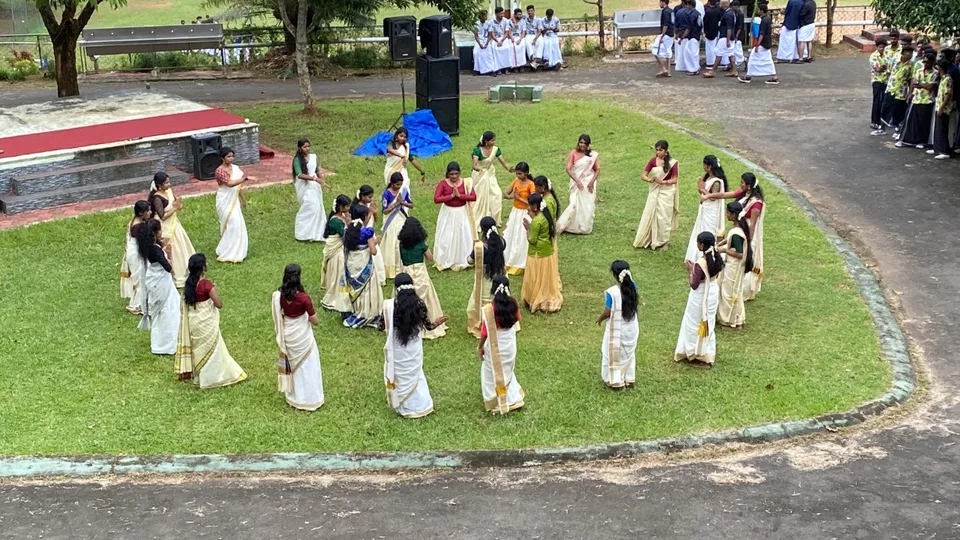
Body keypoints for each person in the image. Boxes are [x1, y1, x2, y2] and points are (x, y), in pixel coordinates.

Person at [175, 253, 247, 388]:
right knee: (213, 349)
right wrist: (212, 290)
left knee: (199, 349)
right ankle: (213, 378)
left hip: (194, 322)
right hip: (206, 323)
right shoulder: (206, 285)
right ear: (203, 267)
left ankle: (200, 376)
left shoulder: (188, 285)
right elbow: (219, 304)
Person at [383, 273, 448, 418]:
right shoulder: (419, 304)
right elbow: (429, 326)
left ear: (396, 287)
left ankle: (402, 404)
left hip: (397, 348)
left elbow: (382, 326)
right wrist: (438, 322)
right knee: (416, 375)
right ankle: (421, 405)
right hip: (413, 348)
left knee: (400, 375)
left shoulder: (389, 306)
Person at [702, 172, 765, 300]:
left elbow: (752, 225)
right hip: (739, 228)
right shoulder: (743, 194)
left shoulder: (756, 203)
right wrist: (709, 195)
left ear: (748, 186)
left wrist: (747, 240)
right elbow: (725, 195)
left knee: (743, 257)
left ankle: (744, 289)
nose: (740, 184)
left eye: (742, 182)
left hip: (747, 233)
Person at [272, 264, 324, 411]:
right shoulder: (304, 298)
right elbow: (315, 321)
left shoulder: (279, 296)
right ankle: (309, 399)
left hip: (288, 334)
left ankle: (294, 397)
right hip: (302, 335)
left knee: (295, 365)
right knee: (308, 364)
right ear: (298, 278)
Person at [675, 232, 723, 367]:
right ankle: (706, 351)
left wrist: (690, 270)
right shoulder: (716, 257)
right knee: (709, 321)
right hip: (713, 291)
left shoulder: (700, 263)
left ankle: (694, 352)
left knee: (694, 322)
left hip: (701, 295)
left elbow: (694, 284)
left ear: (701, 245)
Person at [479, 275, 525, 414]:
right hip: (509, 346)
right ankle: (512, 398)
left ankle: (497, 401)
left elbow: (485, 332)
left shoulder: (489, 309)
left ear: (493, 288)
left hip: (494, 347)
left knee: (491, 373)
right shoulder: (513, 303)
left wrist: (480, 347)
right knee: (506, 372)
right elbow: (516, 319)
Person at [397, 217, 447, 340]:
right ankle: (427, 321)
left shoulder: (401, 244)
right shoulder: (421, 245)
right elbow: (430, 257)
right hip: (420, 271)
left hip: (406, 271)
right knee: (426, 297)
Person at [136, 219, 181, 355]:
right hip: (162, 282)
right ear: (155, 233)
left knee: (164, 312)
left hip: (155, 279)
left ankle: (161, 343)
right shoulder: (155, 250)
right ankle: (167, 344)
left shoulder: (147, 247)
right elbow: (167, 267)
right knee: (168, 311)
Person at [148, 171, 196, 288]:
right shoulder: (157, 198)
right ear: (159, 185)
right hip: (164, 226)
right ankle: (175, 274)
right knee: (170, 249)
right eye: (166, 183)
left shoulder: (169, 191)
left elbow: (176, 204)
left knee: (181, 246)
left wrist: (179, 204)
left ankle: (187, 269)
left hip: (174, 224)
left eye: (169, 182)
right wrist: (174, 208)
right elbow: (162, 216)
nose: (168, 185)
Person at [596, 260, 639, 389]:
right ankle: (628, 378)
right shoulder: (633, 286)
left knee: (611, 352)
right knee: (628, 353)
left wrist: (600, 319)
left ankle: (614, 380)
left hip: (617, 329)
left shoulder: (612, 293)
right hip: (631, 327)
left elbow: (607, 312)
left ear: (615, 275)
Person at [341, 204, 384, 329]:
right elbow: (373, 251)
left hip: (352, 263)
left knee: (354, 287)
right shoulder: (367, 232)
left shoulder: (348, 230)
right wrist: (376, 242)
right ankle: (368, 312)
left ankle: (354, 309)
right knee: (367, 289)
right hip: (365, 264)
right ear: (365, 217)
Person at [521, 193, 563, 313]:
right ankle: (545, 294)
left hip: (537, 254)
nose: (528, 207)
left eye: (529, 205)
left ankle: (535, 297)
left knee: (535, 277)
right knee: (545, 278)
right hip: (547, 252)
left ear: (535, 206)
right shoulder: (546, 216)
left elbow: (532, 240)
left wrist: (528, 229)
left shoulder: (537, 221)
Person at [634, 140, 680, 250]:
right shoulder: (653, 161)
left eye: (661, 150)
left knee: (664, 217)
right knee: (651, 213)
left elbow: (675, 179)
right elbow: (643, 175)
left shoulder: (672, 163)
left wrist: (663, 182)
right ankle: (650, 238)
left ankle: (664, 241)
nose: (658, 152)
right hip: (654, 191)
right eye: (657, 150)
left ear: (666, 151)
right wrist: (650, 180)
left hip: (666, 192)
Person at [434, 162, 478, 271]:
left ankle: (463, 258)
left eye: (456, 174)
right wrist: (451, 196)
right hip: (448, 213)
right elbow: (436, 199)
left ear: (459, 173)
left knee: (462, 234)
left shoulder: (466, 183)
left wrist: (460, 196)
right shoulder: (443, 184)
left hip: (462, 212)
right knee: (447, 236)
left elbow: (473, 197)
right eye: (451, 174)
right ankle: (446, 258)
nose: (454, 176)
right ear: (448, 174)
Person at [467, 216, 506, 338]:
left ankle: (483, 323)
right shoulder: (502, 242)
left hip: (484, 278)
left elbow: (469, 261)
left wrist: (474, 248)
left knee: (482, 300)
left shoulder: (480, 248)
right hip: (498, 275)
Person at [684, 155, 727, 265]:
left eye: (704, 164)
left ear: (709, 166)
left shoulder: (717, 181)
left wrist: (702, 188)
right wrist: (701, 188)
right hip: (705, 209)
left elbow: (713, 197)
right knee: (700, 229)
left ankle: (711, 256)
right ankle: (699, 256)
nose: (703, 166)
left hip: (712, 212)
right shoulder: (708, 177)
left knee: (709, 230)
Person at [717, 202, 753, 328]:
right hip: (733, 265)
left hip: (734, 267)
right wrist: (720, 243)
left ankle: (730, 319)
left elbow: (739, 253)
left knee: (729, 292)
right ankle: (736, 318)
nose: (726, 214)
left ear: (733, 215)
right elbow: (730, 239)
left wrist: (724, 250)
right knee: (733, 291)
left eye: (728, 213)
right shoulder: (738, 229)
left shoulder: (737, 233)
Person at [556, 134, 601, 235]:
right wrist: (577, 180)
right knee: (573, 204)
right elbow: (568, 168)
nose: (582, 145)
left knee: (587, 205)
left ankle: (583, 226)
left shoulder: (592, 156)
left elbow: (597, 169)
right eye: (581, 142)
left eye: (585, 143)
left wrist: (592, 182)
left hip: (588, 182)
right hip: (577, 183)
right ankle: (565, 225)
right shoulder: (573, 153)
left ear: (588, 144)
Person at [213, 147, 250, 263]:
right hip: (224, 199)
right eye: (228, 156)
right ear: (222, 158)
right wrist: (244, 179)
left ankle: (237, 252)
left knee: (237, 223)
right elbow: (229, 184)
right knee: (231, 222)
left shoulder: (235, 169)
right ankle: (227, 250)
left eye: (232, 156)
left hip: (234, 200)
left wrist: (243, 200)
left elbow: (238, 188)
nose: (231, 158)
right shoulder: (219, 171)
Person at [470, 131, 512, 227]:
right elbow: (474, 165)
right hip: (479, 176)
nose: (494, 142)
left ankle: (495, 218)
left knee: (496, 193)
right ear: (486, 141)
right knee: (480, 196)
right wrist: (479, 169)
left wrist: (509, 169)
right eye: (492, 140)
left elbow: (503, 163)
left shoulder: (496, 150)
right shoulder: (477, 150)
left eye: (494, 140)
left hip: (490, 174)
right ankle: (479, 218)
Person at [897, 52, 938, 149]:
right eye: (924, 62)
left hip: (927, 100)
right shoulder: (919, 71)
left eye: (927, 62)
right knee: (912, 121)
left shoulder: (935, 73)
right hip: (916, 99)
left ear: (932, 63)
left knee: (923, 122)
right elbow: (914, 83)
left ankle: (922, 141)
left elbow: (930, 87)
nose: (925, 64)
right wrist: (911, 92)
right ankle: (908, 140)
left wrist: (920, 85)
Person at [320, 195, 353, 313]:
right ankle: (333, 298)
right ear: (340, 207)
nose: (349, 208)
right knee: (338, 274)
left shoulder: (343, 216)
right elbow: (346, 237)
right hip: (336, 252)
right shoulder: (335, 221)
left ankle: (344, 294)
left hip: (341, 249)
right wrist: (349, 224)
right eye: (347, 206)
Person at [503, 162, 537, 274]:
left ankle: (522, 260)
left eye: (520, 174)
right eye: (517, 173)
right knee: (512, 233)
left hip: (525, 212)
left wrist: (519, 198)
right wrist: (513, 196)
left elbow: (533, 202)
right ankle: (510, 258)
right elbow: (506, 194)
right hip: (516, 212)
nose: (518, 176)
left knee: (522, 235)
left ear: (526, 173)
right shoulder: (516, 181)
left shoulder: (531, 184)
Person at [292, 137, 328, 242]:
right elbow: (299, 174)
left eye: (308, 146)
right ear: (300, 148)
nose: (307, 149)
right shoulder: (297, 160)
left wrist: (321, 177)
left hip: (314, 186)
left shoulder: (312, 157)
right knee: (309, 207)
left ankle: (316, 232)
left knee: (317, 207)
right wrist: (314, 178)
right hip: (305, 186)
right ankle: (303, 233)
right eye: (305, 147)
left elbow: (316, 169)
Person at [120, 200, 152, 315]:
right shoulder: (138, 226)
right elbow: (143, 244)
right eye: (147, 211)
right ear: (140, 213)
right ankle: (137, 305)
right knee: (140, 279)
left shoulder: (134, 222)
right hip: (137, 254)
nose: (150, 213)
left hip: (133, 252)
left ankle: (140, 303)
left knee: (140, 278)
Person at [381, 172, 414, 280]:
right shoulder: (386, 194)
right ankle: (393, 268)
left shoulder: (403, 191)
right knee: (392, 242)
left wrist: (403, 203)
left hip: (401, 219)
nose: (399, 187)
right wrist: (396, 203)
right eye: (397, 185)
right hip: (391, 222)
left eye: (400, 184)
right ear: (391, 183)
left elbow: (411, 205)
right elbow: (385, 211)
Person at [876, 46, 914, 136]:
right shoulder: (894, 61)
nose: (910, 55)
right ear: (903, 53)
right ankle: (882, 128)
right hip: (891, 88)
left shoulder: (911, 65)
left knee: (899, 110)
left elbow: (910, 79)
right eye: (908, 52)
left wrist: (910, 93)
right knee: (885, 108)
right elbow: (889, 72)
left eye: (911, 53)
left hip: (901, 92)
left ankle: (898, 129)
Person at [738, 3, 779, 84]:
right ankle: (774, 76)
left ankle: (748, 75)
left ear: (762, 11)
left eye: (759, 10)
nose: (758, 11)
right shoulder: (767, 19)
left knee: (753, 58)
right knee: (767, 59)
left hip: (763, 43)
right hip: (767, 42)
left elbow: (761, 34)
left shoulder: (763, 20)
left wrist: (757, 44)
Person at [354, 185, 386, 286]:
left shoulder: (369, 205)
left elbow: (374, 220)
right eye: (369, 197)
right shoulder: (357, 209)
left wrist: (375, 213)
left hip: (370, 233)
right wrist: (370, 212)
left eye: (372, 197)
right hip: (365, 235)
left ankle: (379, 278)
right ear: (362, 196)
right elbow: (362, 223)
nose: (371, 199)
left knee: (378, 258)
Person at [702, 0, 737, 78]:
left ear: (724, 5)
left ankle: (713, 70)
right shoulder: (730, 13)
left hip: (725, 36)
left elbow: (729, 28)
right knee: (730, 54)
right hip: (728, 36)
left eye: (720, 4)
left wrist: (727, 40)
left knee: (719, 53)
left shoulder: (728, 14)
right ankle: (734, 70)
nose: (719, 5)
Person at [384, 127, 424, 193]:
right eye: (401, 136)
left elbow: (412, 159)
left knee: (405, 185)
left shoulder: (406, 147)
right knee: (392, 188)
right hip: (390, 170)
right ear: (397, 135)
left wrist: (421, 171)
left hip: (402, 170)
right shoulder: (391, 142)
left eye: (405, 137)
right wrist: (400, 155)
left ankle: (405, 201)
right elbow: (390, 150)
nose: (403, 138)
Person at [930, 59, 955, 160]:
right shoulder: (943, 78)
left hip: (944, 108)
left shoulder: (948, 79)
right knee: (937, 128)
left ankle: (944, 150)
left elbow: (948, 95)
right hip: (939, 106)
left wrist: (941, 108)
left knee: (942, 130)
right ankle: (937, 148)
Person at [868, 38, 890, 130]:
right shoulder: (873, 56)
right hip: (877, 80)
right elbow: (878, 69)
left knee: (885, 101)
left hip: (886, 80)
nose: (881, 49)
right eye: (880, 47)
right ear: (876, 47)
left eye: (883, 47)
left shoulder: (887, 55)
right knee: (877, 100)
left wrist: (884, 67)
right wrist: (884, 67)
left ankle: (884, 120)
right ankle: (874, 121)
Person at [652, 0, 676, 77]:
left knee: (655, 50)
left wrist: (662, 34)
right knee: (668, 51)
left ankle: (663, 68)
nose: (659, 4)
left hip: (666, 34)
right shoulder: (671, 11)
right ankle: (668, 70)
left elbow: (665, 24)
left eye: (660, 2)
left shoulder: (665, 12)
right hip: (671, 33)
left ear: (663, 2)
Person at [473, 11, 497, 76]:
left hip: (487, 40)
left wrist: (486, 43)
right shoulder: (476, 24)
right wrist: (480, 44)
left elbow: (490, 35)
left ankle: (491, 70)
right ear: (480, 17)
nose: (484, 17)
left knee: (489, 53)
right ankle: (477, 70)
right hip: (479, 40)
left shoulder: (489, 23)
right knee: (476, 53)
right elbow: (476, 35)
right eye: (483, 16)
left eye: (485, 16)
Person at [490, 7, 513, 73]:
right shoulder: (492, 22)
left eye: (503, 13)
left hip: (503, 38)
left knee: (507, 48)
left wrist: (502, 40)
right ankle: (498, 69)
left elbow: (506, 32)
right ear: (496, 14)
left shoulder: (506, 21)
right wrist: (497, 41)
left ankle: (506, 68)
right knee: (495, 49)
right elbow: (492, 33)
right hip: (495, 39)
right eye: (500, 13)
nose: (502, 15)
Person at [702, 0, 722, 67]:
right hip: (716, 32)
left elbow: (705, 22)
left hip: (709, 32)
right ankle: (716, 62)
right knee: (716, 47)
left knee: (709, 48)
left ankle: (710, 62)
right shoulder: (718, 12)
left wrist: (705, 31)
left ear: (709, 3)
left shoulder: (708, 12)